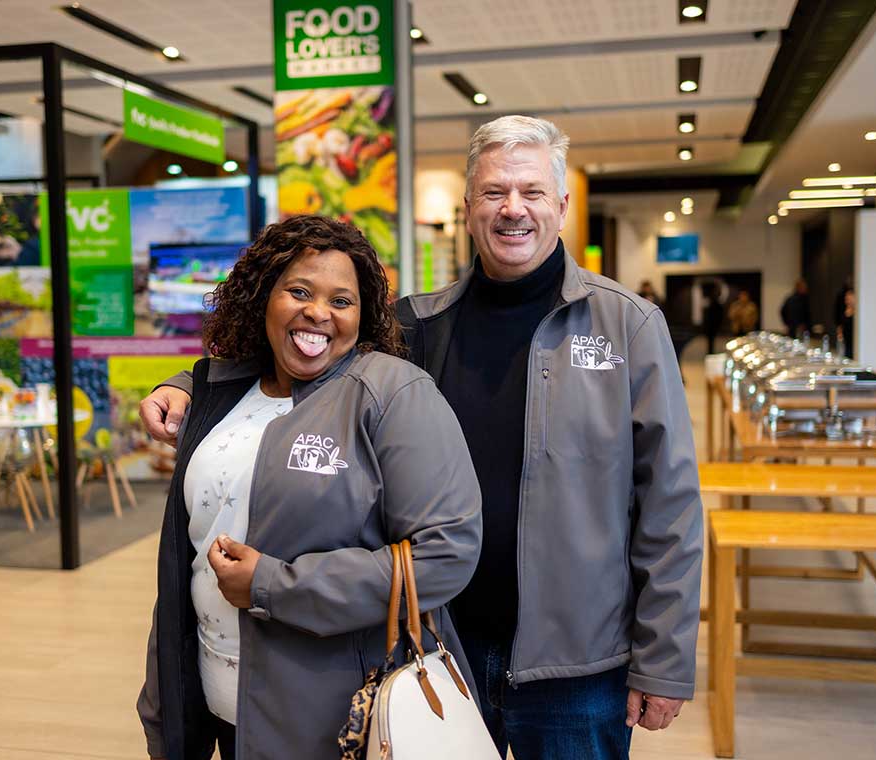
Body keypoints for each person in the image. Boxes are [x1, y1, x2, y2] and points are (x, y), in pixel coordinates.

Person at [142, 116, 703, 760]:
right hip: (434, 644)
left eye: (532, 192)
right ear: (468, 209)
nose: (512, 209)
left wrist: (662, 659)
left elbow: (670, 504)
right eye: (494, 193)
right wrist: (190, 383)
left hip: (576, 666)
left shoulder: (627, 326)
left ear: (563, 205)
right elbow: (305, 350)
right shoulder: (417, 325)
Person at [135, 215, 483, 760]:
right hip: (217, 699)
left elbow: (447, 553)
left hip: (336, 718)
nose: (318, 312)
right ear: (261, 297)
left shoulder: (392, 393)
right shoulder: (220, 390)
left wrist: (275, 584)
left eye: (341, 301)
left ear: (362, 314)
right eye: (299, 290)